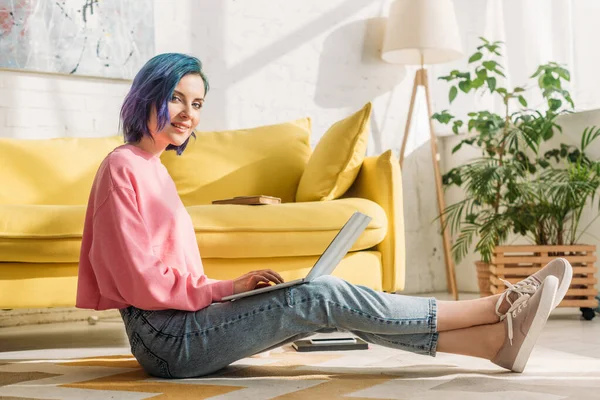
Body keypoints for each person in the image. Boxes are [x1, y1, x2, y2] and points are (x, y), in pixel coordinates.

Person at [76, 53, 573, 379]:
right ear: (148, 95)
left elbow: (171, 274)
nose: (188, 112)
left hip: (181, 329)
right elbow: (142, 282)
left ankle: (491, 345)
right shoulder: (123, 167)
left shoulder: (154, 169)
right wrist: (225, 289)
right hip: (167, 341)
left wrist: (234, 287)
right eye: (177, 98)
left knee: (324, 302)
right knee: (323, 295)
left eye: (198, 103)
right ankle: (494, 308)